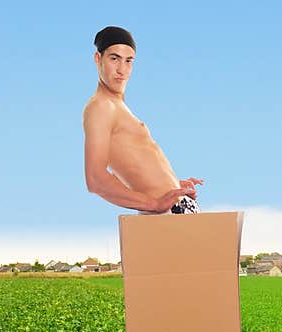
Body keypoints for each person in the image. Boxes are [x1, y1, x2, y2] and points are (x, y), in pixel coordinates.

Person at [83, 25, 203, 214]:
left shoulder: (118, 106)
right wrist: (153, 203)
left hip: (178, 208)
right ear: (98, 59)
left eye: (128, 61)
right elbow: (95, 179)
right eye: (114, 59)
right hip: (162, 214)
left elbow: (130, 166)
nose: (122, 69)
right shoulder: (101, 106)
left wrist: (170, 185)